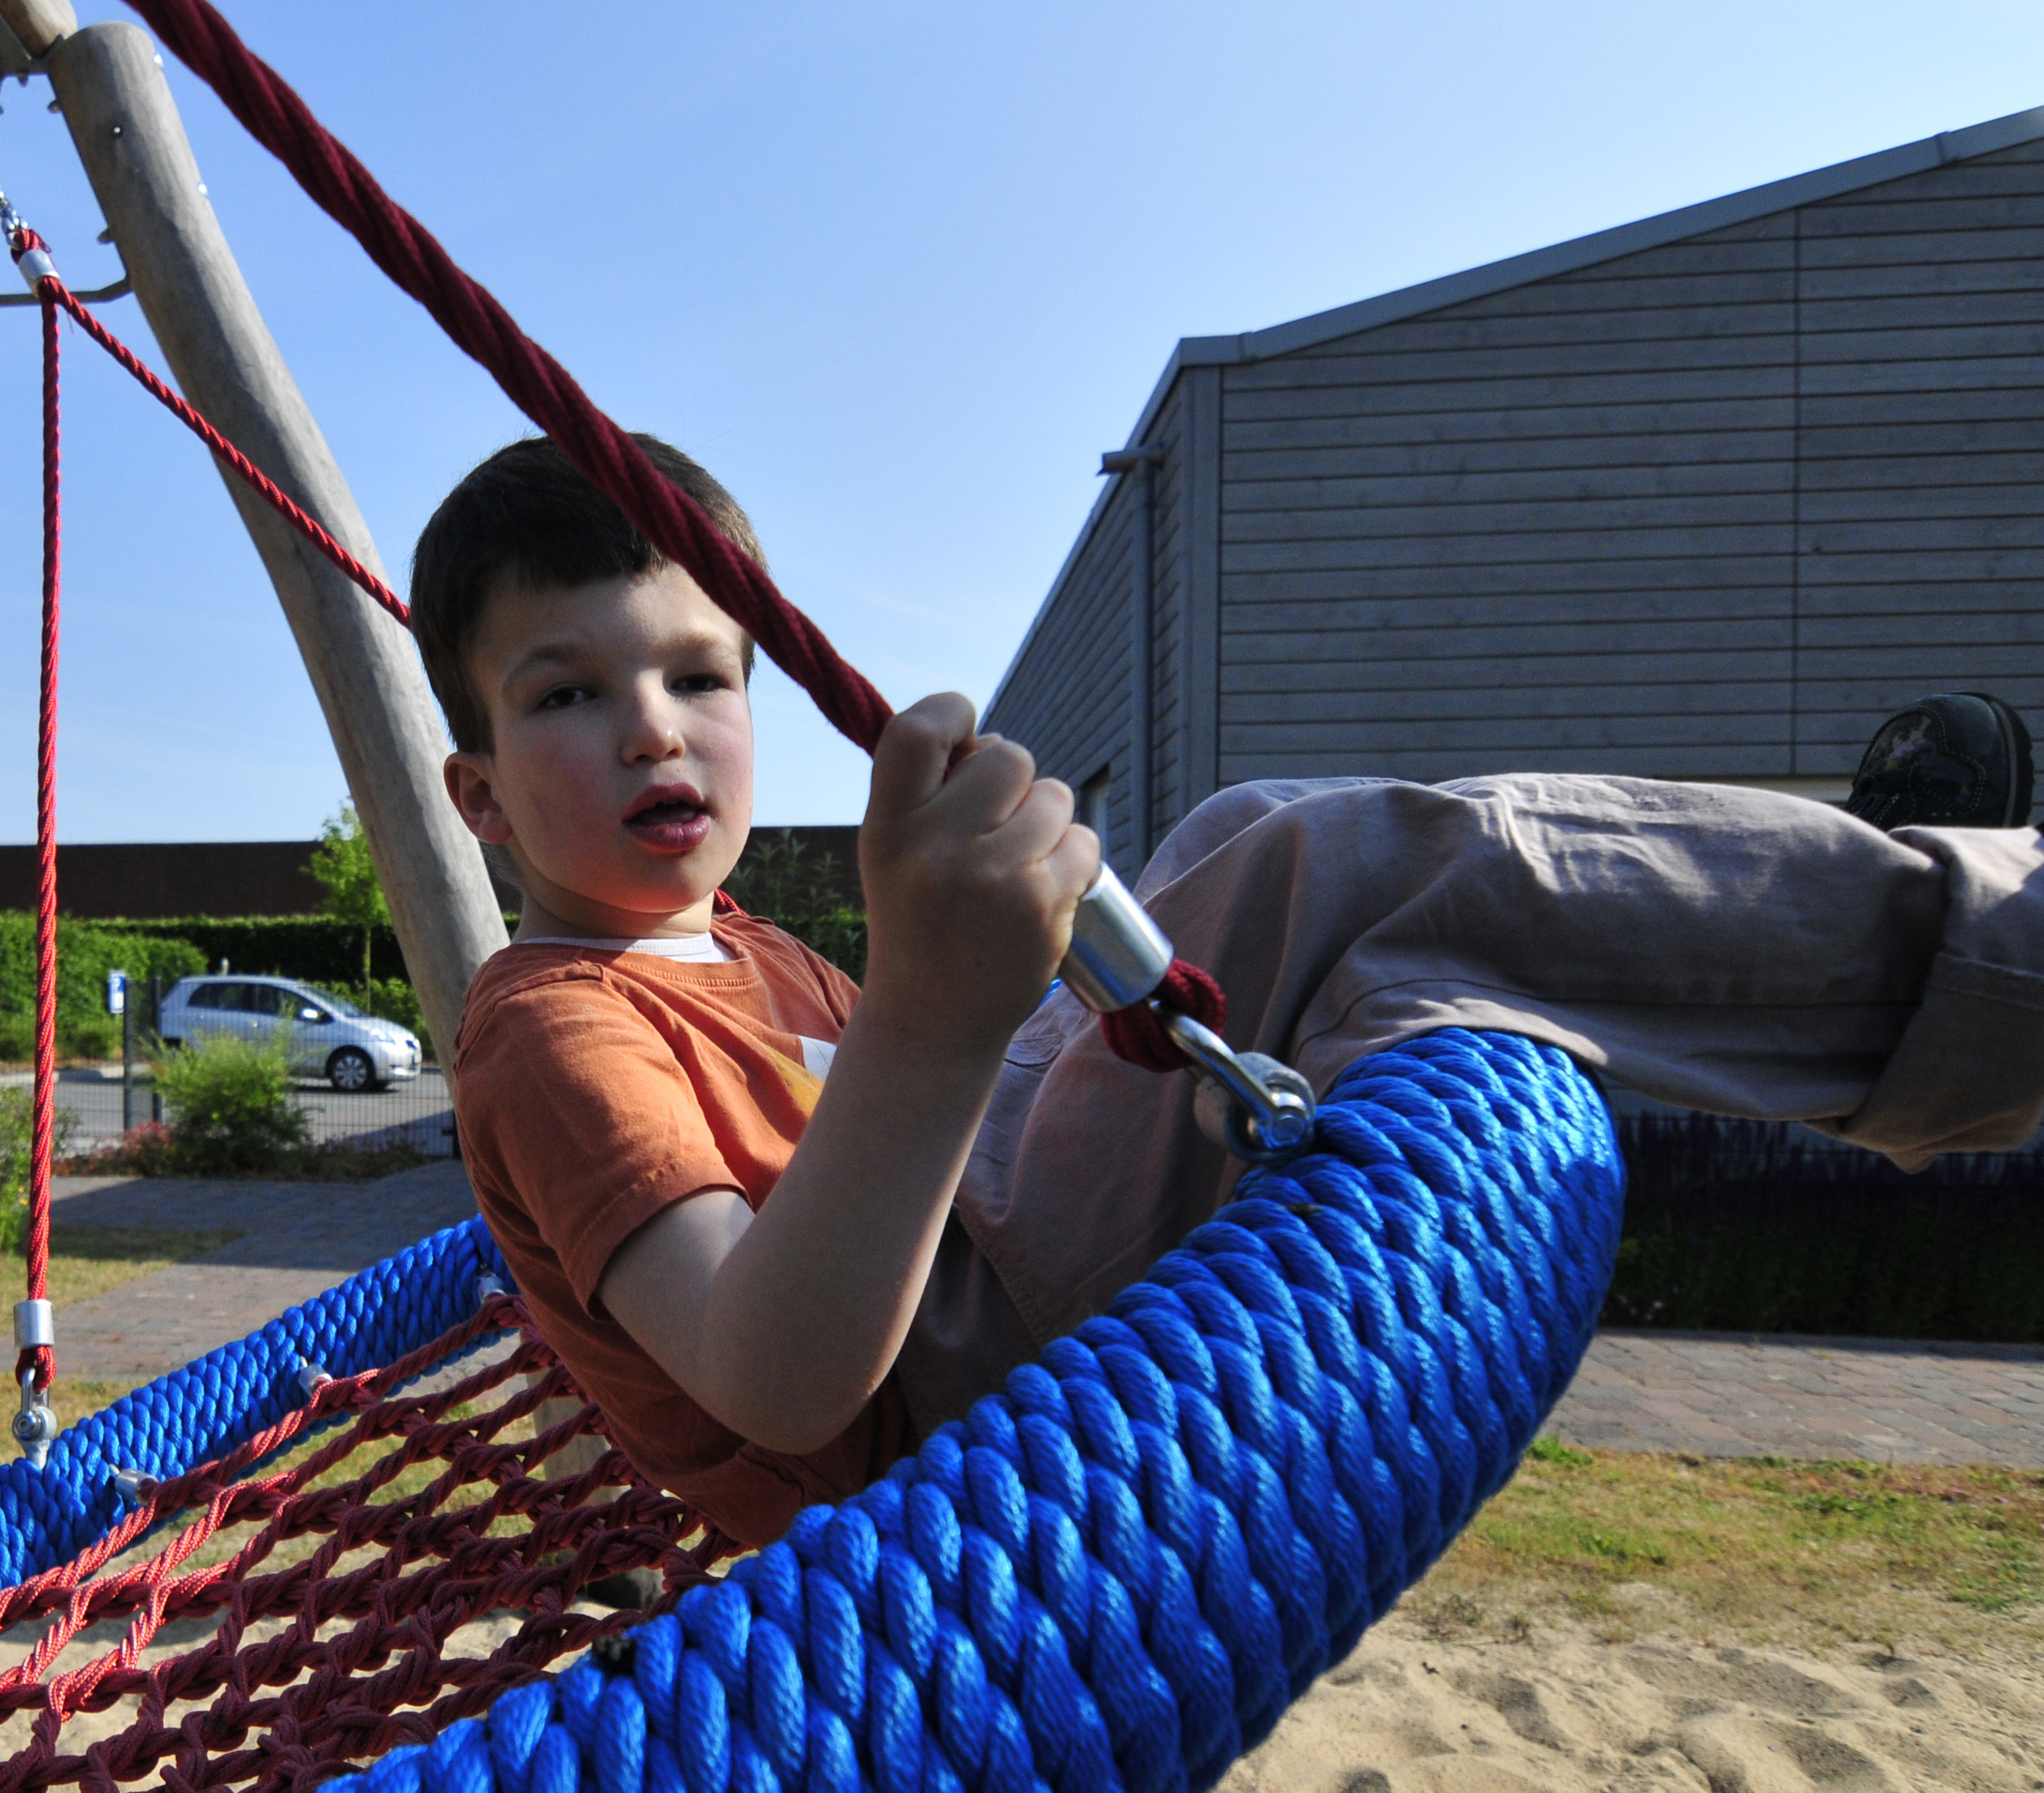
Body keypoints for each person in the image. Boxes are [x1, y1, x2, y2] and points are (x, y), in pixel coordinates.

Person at [425, 436, 2044, 1552]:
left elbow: (917, 1131)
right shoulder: (552, 1028)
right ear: (479, 797)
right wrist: (932, 1006)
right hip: (936, 1401)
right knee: (1321, 867)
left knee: (1240, 845)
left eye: (699, 672)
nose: (653, 726)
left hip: (976, 1253)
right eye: (568, 691)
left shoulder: (742, 950)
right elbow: (769, 1372)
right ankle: (1976, 946)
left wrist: (955, 1003)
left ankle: (1910, 935)